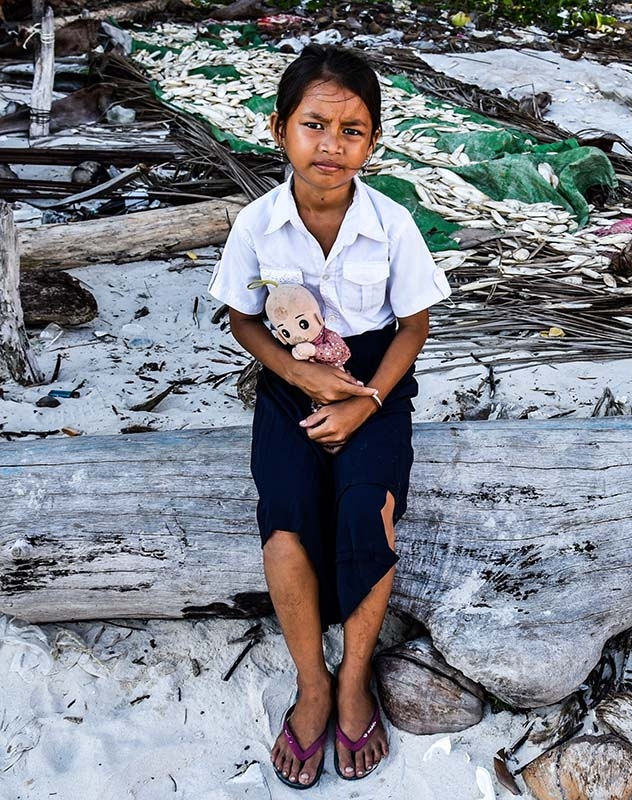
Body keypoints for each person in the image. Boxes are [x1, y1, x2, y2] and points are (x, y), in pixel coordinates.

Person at [208, 44, 450, 789]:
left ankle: (354, 680)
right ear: (280, 128)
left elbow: (413, 326)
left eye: (353, 129)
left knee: (368, 510)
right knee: (283, 522)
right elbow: (240, 315)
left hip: (374, 379)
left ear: (372, 141)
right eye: (315, 124)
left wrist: (366, 402)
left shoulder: (392, 222)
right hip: (288, 382)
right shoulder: (258, 223)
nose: (332, 145)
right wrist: (295, 373)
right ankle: (313, 684)